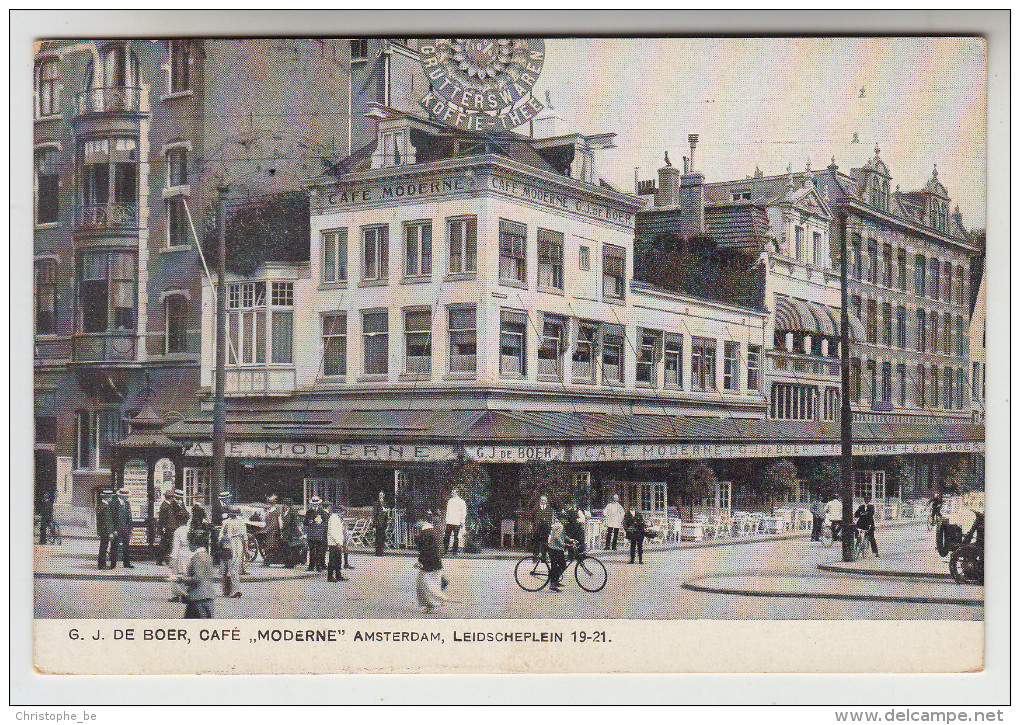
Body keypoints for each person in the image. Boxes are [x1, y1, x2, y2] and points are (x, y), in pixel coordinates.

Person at [176, 528, 217, 619]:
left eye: (189, 542)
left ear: (194, 543)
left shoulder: (197, 557)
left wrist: (181, 579)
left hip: (197, 598)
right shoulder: (207, 556)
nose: (188, 544)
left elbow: (198, 578)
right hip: (208, 597)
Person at [413, 520, 448, 611]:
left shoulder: (425, 534)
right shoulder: (433, 532)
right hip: (435, 562)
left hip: (429, 563)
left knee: (426, 584)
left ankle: (434, 604)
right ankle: (433, 603)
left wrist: (420, 561)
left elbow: (424, 549)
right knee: (430, 583)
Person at [218, 508, 246, 597]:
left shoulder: (227, 522)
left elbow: (223, 536)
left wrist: (220, 544)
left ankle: (232, 590)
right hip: (239, 544)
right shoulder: (241, 522)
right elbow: (245, 537)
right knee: (234, 568)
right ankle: (235, 589)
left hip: (230, 545)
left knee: (228, 569)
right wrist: (246, 549)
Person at [168, 514, 194, 602]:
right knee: (187, 574)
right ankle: (187, 593)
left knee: (177, 574)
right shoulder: (190, 530)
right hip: (190, 553)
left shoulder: (178, 531)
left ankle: (179, 594)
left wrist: (172, 558)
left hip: (181, 554)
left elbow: (176, 546)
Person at [109, 487, 134, 569]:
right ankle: (113, 564)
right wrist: (113, 530)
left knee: (126, 546)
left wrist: (130, 528)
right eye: (126, 496)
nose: (127, 497)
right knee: (114, 546)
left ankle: (126, 563)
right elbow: (111, 517)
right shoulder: (114, 503)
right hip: (117, 528)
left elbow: (129, 517)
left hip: (125, 528)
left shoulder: (127, 504)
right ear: (122, 496)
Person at [546, 517, 573, 592]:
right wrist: (564, 544)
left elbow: (562, 535)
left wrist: (570, 540)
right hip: (556, 549)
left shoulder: (557, 525)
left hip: (552, 548)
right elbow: (557, 537)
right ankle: (553, 583)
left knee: (555, 566)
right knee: (562, 565)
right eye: (565, 520)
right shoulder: (560, 526)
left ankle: (555, 581)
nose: (566, 521)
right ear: (562, 519)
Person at [326, 503, 349, 582]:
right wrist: (337, 542)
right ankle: (330, 576)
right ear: (338, 511)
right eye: (342, 512)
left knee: (338, 560)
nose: (342, 514)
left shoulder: (337, 518)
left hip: (338, 542)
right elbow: (333, 532)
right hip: (333, 543)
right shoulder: (333, 518)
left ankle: (338, 575)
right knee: (332, 560)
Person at [304, 496, 328, 572]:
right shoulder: (309, 512)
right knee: (311, 550)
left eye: (316, 504)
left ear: (319, 504)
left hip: (319, 534)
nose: (315, 505)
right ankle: (311, 566)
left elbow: (326, 523)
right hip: (311, 533)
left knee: (319, 550)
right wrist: (309, 522)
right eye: (313, 504)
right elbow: (305, 522)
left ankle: (318, 566)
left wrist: (321, 525)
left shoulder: (323, 512)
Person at [279, 498, 302, 568]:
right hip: (286, 532)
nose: (284, 506)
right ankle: (287, 562)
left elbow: (294, 522)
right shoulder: (284, 512)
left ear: (288, 505)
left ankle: (291, 563)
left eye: (285, 505)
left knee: (291, 548)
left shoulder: (293, 512)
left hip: (292, 532)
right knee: (285, 547)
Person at [443, 488, 467, 556]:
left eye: (453, 493)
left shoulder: (462, 502)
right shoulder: (450, 501)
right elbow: (448, 511)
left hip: (457, 522)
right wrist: (447, 520)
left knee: (456, 537)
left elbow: (463, 512)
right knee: (447, 536)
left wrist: (462, 521)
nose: (452, 494)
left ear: (457, 493)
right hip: (450, 521)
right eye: (452, 493)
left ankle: (455, 551)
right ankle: (445, 550)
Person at [155, 489, 176, 564]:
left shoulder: (168, 505)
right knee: (164, 544)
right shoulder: (165, 506)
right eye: (172, 497)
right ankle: (160, 560)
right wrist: (162, 528)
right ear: (169, 497)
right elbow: (162, 518)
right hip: (167, 528)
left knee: (167, 544)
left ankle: (164, 559)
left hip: (169, 527)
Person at [531, 495, 554, 560]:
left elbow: (550, 518)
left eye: (544, 500)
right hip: (537, 527)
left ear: (546, 501)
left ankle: (544, 557)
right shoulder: (536, 508)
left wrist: (549, 525)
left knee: (545, 542)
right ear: (540, 501)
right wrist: (534, 525)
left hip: (545, 528)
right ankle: (535, 557)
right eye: (542, 500)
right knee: (536, 542)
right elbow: (532, 517)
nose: (543, 501)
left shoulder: (549, 509)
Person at [262, 493, 283, 566]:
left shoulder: (276, 511)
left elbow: (278, 522)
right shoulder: (269, 511)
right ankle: (267, 561)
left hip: (273, 531)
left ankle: (268, 562)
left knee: (271, 546)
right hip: (269, 530)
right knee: (268, 546)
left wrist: (280, 529)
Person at [96, 490, 114, 569]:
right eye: (110, 497)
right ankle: (102, 564)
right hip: (105, 531)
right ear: (107, 497)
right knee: (104, 547)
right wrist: (110, 532)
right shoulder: (105, 507)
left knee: (103, 547)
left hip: (102, 530)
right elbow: (107, 521)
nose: (111, 498)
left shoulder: (101, 505)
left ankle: (101, 563)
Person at [372, 491, 388, 556]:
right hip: (378, 523)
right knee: (378, 537)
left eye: (382, 495)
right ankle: (378, 552)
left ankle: (381, 551)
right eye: (379, 495)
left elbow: (386, 515)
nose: (380, 496)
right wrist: (374, 526)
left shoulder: (385, 503)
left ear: (384, 495)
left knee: (383, 537)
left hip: (383, 522)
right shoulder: (376, 503)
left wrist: (386, 525)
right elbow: (375, 515)